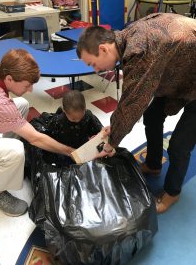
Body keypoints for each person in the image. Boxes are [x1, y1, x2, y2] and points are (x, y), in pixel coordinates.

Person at [76, 12, 196, 214]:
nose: (95, 70)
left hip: (189, 73)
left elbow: (133, 102)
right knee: (152, 116)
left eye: (93, 64)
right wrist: (115, 127)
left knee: (179, 145)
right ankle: (153, 164)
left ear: (103, 48)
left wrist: (112, 141)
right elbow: (133, 95)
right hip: (182, 69)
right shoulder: (126, 37)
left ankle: (172, 194)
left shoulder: (140, 49)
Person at [0, 49, 74, 217]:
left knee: (22, 104)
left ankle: (4, 162)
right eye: (27, 85)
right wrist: (70, 151)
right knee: (15, 149)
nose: (31, 89)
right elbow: (35, 139)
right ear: (9, 78)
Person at [24, 90, 103, 176]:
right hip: (63, 152)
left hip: (83, 149)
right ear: (64, 111)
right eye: (73, 119)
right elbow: (47, 139)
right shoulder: (58, 121)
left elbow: (99, 130)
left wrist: (95, 137)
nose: (77, 121)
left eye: (81, 117)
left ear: (85, 108)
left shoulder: (88, 115)